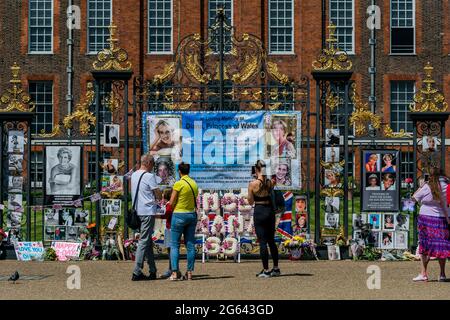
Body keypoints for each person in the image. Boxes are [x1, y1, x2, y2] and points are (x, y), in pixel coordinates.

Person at [412, 167, 450, 282]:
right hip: (443, 218)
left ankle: (423, 273)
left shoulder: (427, 186)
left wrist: (421, 186)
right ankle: (442, 274)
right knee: (441, 245)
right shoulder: (447, 185)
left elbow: (414, 198)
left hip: (427, 218)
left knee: (425, 245)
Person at [130, 154, 162, 281]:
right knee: (144, 241)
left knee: (147, 241)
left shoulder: (134, 175)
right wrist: (160, 195)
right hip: (148, 211)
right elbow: (157, 193)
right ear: (148, 163)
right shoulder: (149, 176)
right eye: (153, 164)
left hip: (138, 211)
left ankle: (152, 270)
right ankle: (136, 271)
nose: (153, 167)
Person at [247, 160, 280, 278]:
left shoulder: (253, 184)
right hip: (270, 211)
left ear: (256, 169)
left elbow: (250, 201)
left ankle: (266, 270)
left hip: (260, 210)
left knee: (262, 241)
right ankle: (276, 268)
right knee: (271, 240)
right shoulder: (270, 182)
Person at [168, 162, 199, 281]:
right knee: (190, 245)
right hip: (191, 215)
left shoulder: (178, 183)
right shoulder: (194, 184)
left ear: (179, 171)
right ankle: (189, 273)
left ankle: (175, 273)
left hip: (179, 215)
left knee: (175, 244)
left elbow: (171, 202)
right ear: (188, 171)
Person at [158, 188, 173, 279]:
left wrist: (157, 216)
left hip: (169, 228)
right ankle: (171, 269)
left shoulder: (169, 205)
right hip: (169, 228)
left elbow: (166, 214)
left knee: (170, 249)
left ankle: (171, 269)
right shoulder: (169, 204)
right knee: (169, 249)